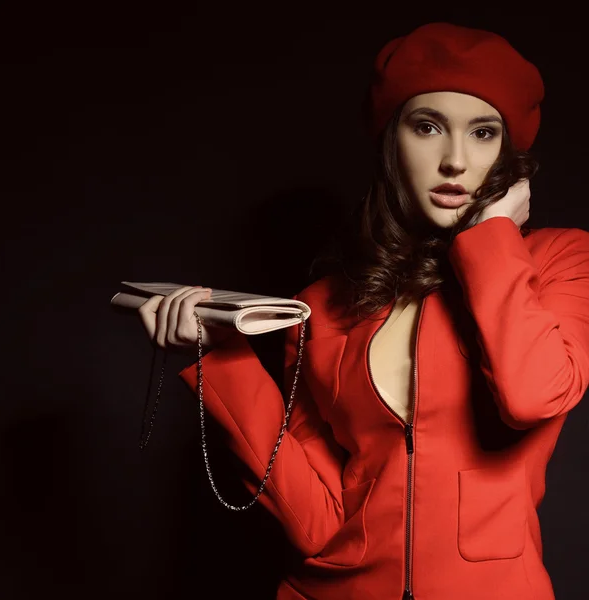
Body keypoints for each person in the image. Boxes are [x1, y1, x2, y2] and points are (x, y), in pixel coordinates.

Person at [137, 22, 589, 600]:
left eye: (482, 132)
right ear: (389, 140)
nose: (454, 159)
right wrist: (223, 358)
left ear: (508, 155)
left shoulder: (556, 261)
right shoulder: (322, 307)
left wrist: (494, 236)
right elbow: (315, 524)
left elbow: (532, 396)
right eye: (427, 127)